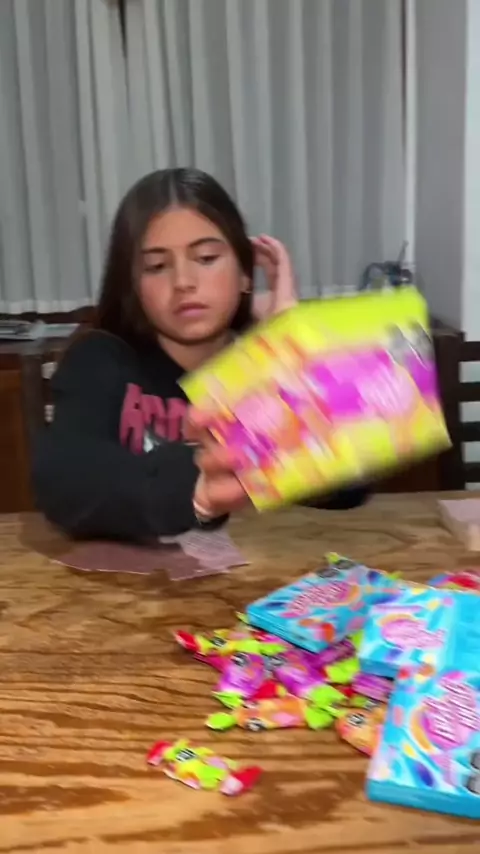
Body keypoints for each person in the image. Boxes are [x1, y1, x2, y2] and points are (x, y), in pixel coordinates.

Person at [33, 168, 368, 542]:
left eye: (206, 258)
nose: (183, 282)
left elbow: (349, 487)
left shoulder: (261, 361)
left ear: (245, 274)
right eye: (157, 266)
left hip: (263, 571)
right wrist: (197, 489)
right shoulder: (100, 360)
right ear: (133, 287)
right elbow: (65, 480)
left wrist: (286, 348)